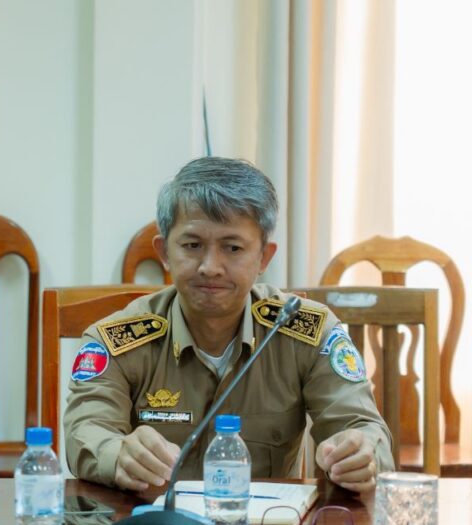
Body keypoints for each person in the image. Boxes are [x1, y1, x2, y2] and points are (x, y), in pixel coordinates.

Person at [64, 157, 393, 495]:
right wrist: (118, 454)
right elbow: (86, 431)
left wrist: (361, 453)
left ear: (264, 257)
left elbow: (364, 429)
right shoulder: (118, 340)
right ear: (164, 252)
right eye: (192, 246)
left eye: (233, 248)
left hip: (269, 524)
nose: (210, 267)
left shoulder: (306, 332)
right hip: (154, 523)